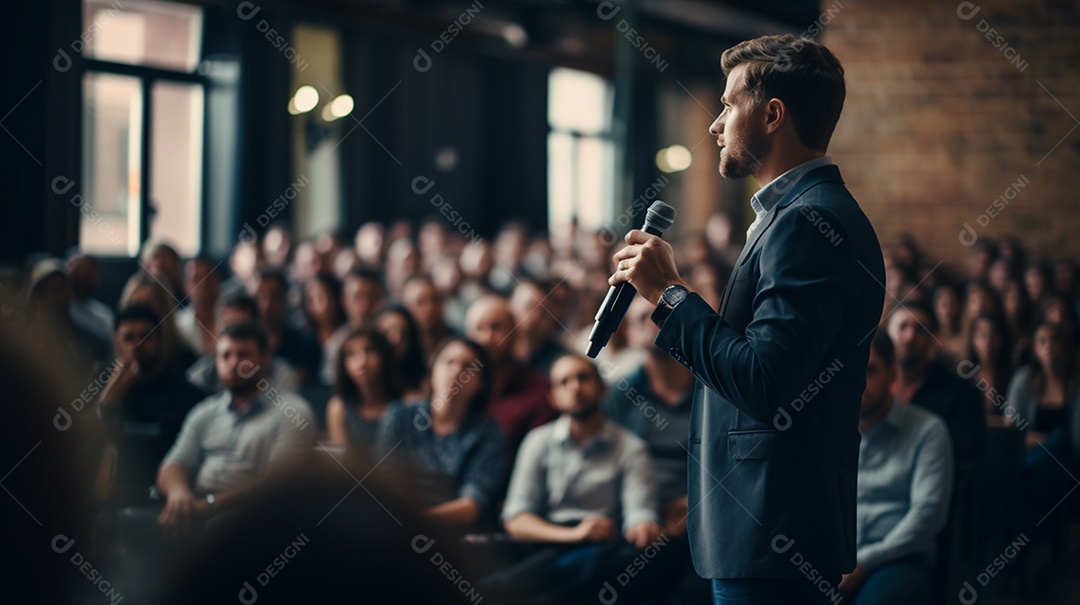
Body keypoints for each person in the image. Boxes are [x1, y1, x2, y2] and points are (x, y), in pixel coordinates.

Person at [608, 34, 886, 602]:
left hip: (773, 524)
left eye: (729, 105)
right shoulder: (791, 214)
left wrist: (669, 295)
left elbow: (766, 380)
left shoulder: (808, 221)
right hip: (763, 520)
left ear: (772, 114)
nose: (715, 124)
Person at [484, 353, 664, 604]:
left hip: (601, 546)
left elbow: (639, 510)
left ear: (603, 389)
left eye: (583, 378)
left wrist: (642, 524)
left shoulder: (631, 448)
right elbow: (517, 519)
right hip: (547, 540)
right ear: (553, 398)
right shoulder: (537, 442)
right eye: (564, 382)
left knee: (627, 558)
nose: (575, 387)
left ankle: (508, 589)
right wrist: (576, 534)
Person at [156, 322, 315, 534]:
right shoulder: (205, 411)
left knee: (219, 526)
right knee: (126, 520)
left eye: (243, 355)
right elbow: (174, 464)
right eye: (225, 356)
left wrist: (211, 505)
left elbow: (276, 485)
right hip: (194, 506)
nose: (234, 363)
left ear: (265, 358)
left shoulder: (293, 412)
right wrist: (178, 494)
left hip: (256, 515)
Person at [840, 331, 953, 604]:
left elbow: (928, 514)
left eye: (870, 370)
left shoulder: (928, 430)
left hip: (900, 558)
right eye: (852, 372)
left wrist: (866, 560)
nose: (859, 383)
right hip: (838, 558)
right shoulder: (833, 433)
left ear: (892, 375)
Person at [376, 336, 507, 530]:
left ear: (481, 383)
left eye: (468, 366)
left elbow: (471, 505)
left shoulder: (489, 434)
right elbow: (383, 481)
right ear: (432, 369)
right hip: (392, 523)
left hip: (452, 535)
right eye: (449, 362)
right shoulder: (399, 416)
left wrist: (415, 523)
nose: (456, 371)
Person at [97, 305, 206, 506]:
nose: (137, 344)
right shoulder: (101, 386)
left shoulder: (187, 394)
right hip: (112, 492)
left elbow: (166, 446)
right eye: (128, 337)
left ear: (160, 340)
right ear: (116, 343)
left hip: (161, 494)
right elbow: (90, 440)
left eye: (145, 336)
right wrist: (109, 403)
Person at [887, 302, 985, 468]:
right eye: (903, 326)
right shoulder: (869, 385)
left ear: (933, 338)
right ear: (888, 332)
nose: (910, 336)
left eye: (920, 329)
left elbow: (965, 462)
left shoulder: (962, 394)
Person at [464, 294, 556, 460]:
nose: (487, 338)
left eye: (496, 327)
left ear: (515, 331)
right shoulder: (459, 387)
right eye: (479, 329)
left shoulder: (538, 390)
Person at [325, 328, 403, 447]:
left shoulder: (407, 403)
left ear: (384, 356)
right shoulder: (339, 408)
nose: (361, 362)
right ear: (343, 363)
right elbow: (340, 461)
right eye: (351, 354)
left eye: (369, 350)